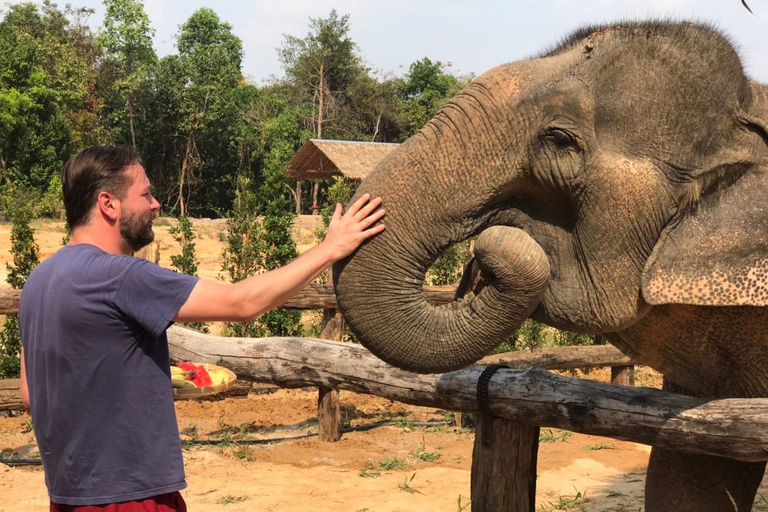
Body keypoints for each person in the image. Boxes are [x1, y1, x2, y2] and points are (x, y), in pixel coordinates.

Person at [18, 145, 385, 512]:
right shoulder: (119, 276)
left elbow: (31, 394)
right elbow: (241, 303)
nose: (156, 204)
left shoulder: (38, 282)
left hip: (69, 496)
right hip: (131, 495)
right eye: (145, 194)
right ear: (108, 204)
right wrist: (329, 249)